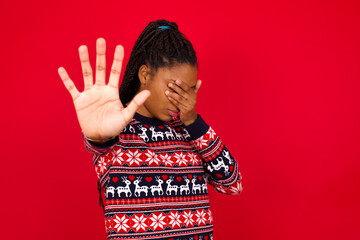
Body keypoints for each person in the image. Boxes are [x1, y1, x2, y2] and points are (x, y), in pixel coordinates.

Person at [58, 19, 243, 240]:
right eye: (173, 87)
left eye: (189, 90)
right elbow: (100, 140)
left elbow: (233, 184)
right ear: (145, 75)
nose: (179, 99)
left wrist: (194, 123)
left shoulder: (189, 131)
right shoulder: (115, 128)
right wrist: (98, 136)